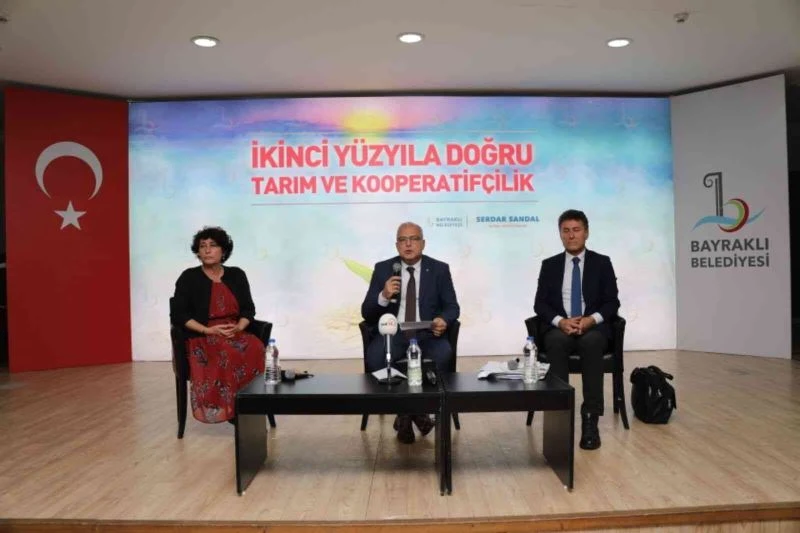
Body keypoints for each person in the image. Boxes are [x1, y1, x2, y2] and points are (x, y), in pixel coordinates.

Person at [361, 222, 460, 444]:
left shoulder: (439, 269)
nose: (408, 244)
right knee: (376, 357)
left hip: (427, 333)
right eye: (402, 240)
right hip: (394, 333)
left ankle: (405, 415)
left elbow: (452, 307)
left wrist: (443, 320)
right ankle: (416, 414)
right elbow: (367, 312)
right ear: (397, 245)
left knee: (443, 354)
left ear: (423, 243)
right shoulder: (383, 269)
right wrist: (383, 296)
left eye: (414, 239)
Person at [533, 210, 620, 450]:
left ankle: (590, 418)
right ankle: (560, 415)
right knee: (555, 342)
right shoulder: (549, 265)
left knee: (591, 343)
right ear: (560, 234)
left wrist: (592, 319)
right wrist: (560, 321)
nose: (571, 236)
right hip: (561, 327)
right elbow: (540, 304)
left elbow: (612, 302)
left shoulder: (602, 263)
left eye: (576, 230)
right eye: (566, 231)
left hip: (592, 327)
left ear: (586, 233)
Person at [171, 226, 265, 424]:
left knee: (256, 347)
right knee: (227, 352)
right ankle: (232, 410)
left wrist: (239, 327)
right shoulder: (188, 277)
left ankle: (251, 406)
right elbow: (179, 315)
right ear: (198, 252)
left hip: (234, 331)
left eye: (213, 245)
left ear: (223, 251)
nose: (207, 250)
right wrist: (208, 330)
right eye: (202, 246)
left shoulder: (237, 275)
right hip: (203, 335)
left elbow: (248, 309)